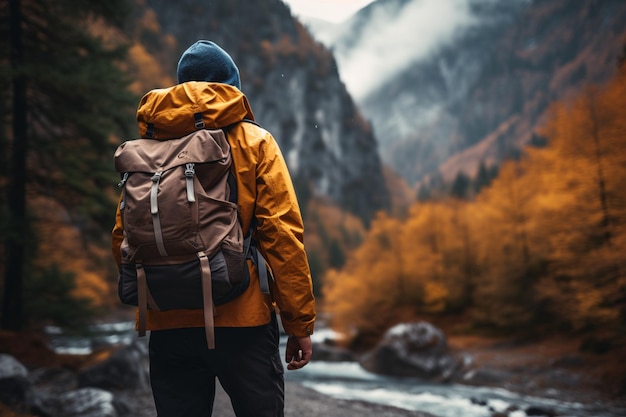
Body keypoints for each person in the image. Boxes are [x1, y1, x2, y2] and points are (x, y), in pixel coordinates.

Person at [111, 40, 316, 417]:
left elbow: (124, 236)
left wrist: (164, 284)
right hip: (243, 317)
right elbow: (282, 236)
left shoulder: (147, 150)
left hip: (168, 320)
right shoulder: (254, 142)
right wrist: (298, 323)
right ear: (231, 86)